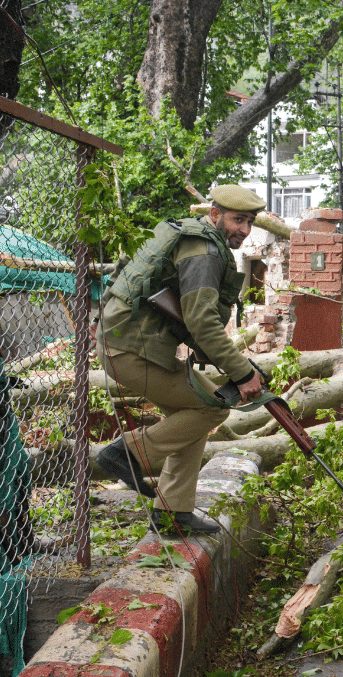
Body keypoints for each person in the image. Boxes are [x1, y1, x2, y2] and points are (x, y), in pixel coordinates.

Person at [94, 185, 265, 535]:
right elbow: (201, 322)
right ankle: (126, 454)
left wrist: (232, 363)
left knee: (195, 414)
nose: (244, 230)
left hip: (131, 344)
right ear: (215, 214)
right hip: (130, 350)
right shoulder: (203, 252)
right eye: (237, 220)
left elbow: (189, 319)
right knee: (211, 408)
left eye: (249, 222)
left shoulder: (194, 237)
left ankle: (173, 514)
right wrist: (242, 372)